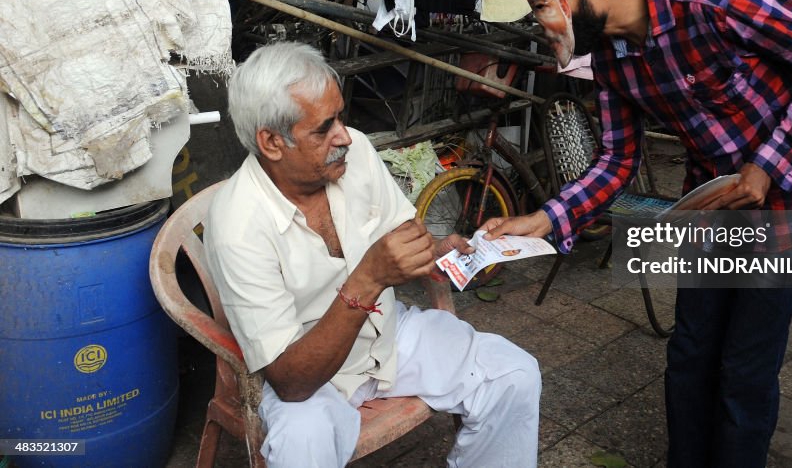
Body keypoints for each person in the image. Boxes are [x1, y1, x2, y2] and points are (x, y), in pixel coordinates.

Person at [487, 0, 792, 467]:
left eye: (543, 4)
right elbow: (615, 161)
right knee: (689, 354)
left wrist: (767, 166)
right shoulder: (608, 58)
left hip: (791, 198)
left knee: (744, 370)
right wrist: (545, 221)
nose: (543, 22)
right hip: (708, 205)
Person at [204, 42, 541, 467]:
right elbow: (291, 382)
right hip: (308, 370)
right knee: (301, 445)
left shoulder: (355, 152)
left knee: (513, 374)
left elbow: (399, 233)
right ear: (272, 142)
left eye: (340, 117)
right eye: (324, 128)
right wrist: (369, 279)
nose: (344, 135)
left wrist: (433, 252)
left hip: (386, 333)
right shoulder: (237, 224)